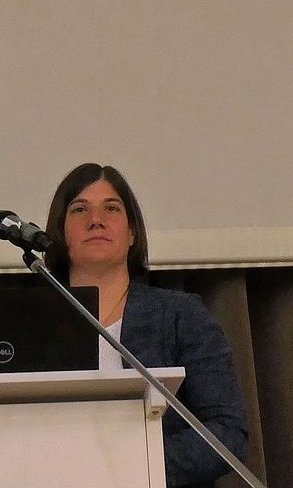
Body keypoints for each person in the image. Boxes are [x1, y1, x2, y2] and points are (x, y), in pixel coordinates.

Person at [44, 163, 251, 488]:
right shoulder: (36, 324)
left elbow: (227, 431)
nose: (95, 219)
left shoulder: (181, 315)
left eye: (111, 208)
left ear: (132, 233)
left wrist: (136, 464)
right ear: (60, 233)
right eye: (79, 209)